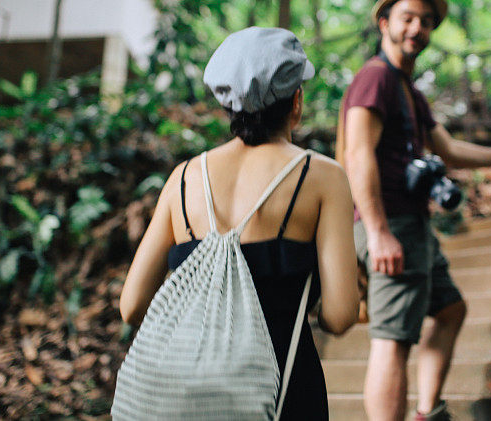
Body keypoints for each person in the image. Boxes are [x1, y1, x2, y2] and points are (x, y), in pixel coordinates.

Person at [119, 26, 359, 420]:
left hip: (187, 398)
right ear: (295, 101)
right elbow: (340, 315)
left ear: (228, 104)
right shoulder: (322, 177)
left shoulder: (183, 178)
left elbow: (131, 307)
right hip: (282, 391)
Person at [342, 0, 491, 421]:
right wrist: (379, 232)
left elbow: (450, 150)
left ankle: (427, 411)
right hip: (390, 226)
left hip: (412, 226)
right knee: (392, 340)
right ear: (384, 22)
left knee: (451, 310)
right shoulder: (374, 79)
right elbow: (356, 153)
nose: (417, 29)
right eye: (407, 18)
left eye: (426, 22)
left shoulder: (408, 89)